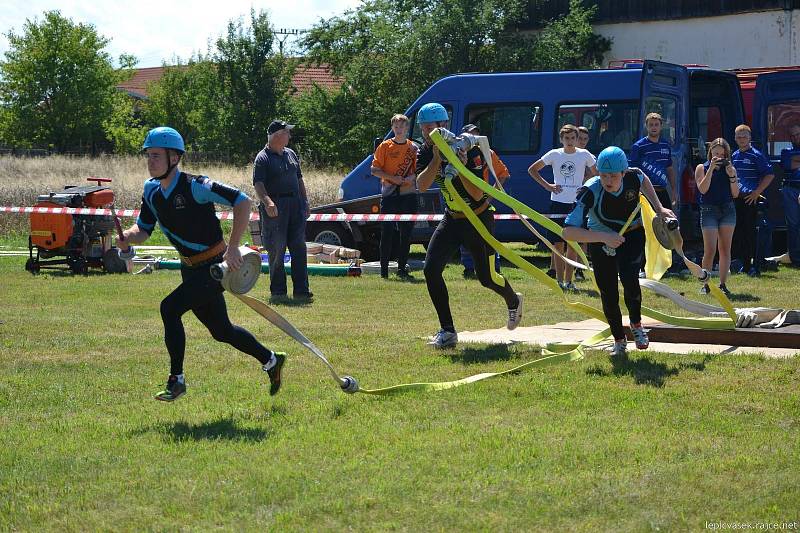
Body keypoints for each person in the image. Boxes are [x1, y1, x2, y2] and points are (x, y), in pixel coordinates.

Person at [117, 127, 286, 401]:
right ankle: (271, 360)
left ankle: (177, 380)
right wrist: (126, 237)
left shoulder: (196, 185)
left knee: (169, 308)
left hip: (213, 268)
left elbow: (242, 202)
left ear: (175, 157)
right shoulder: (150, 191)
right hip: (190, 268)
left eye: (156, 155)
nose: (150, 161)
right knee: (222, 331)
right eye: (148, 155)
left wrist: (232, 248)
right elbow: (144, 228)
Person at [415, 103, 523, 349]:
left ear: (443, 126)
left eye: (431, 128)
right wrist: (436, 160)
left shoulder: (469, 148)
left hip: (477, 217)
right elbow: (421, 185)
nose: (427, 134)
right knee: (431, 270)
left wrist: (460, 165)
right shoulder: (425, 150)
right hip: (452, 217)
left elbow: (476, 194)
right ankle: (448, 330)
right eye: (423, 129)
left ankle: (513, 301)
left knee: (486, 278)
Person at [562, 146, 675, 357]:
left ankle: (637, 325)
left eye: (614, 176)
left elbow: (644, 180)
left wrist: (659, 208)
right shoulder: (589, 190)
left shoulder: (634, 176)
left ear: (624, 172)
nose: (608, 181)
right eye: (604, 175)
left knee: (630, 281)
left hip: (632, 234)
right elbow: (568, 231)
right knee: (608, 292)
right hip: (600, 238)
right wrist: (605, 238)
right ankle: (618, 339)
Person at [528, 124, 597, 291]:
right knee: (557, 245)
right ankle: (559, 281)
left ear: (577, 139)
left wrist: (586, 186)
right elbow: (533, 170)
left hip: (576, 204)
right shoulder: (554, 154)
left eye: (573, 138)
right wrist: (548, 186)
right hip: (557, 203)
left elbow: (597, 173)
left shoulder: (584, 155)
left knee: (572, 244)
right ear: (561, 139)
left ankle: (570, 281)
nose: (570, 141)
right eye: (567, 138)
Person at [253, 120, 312, 301]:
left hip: (295, 205)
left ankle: (301, 290)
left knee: (299, 248)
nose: (290, 136)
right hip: (276, 207)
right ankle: (278, 292)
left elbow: (299, 179)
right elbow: (258, 184)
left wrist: (305, 201)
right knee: (277, 249)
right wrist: (268, 202)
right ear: (277, 136)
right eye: (287, 132)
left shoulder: (291, 154)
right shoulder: (262, 158)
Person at [458, 123, 509, 278]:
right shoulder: (457, 152)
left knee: (488, 237)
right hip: (464, 200)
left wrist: (490, 196)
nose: (474, 137)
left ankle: (494, 268)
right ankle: (469, 268)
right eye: (471, 134)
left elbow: (503, 174)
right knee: (465, 235)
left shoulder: (488, 153)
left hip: (482, 201)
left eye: (476, 134)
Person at [370, 114, 418, 279]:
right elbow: (374, 170)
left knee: (406, 234)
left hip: (408, 195)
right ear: (392, 128)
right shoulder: (384, 146)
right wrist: (392, 178)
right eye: (396, 127)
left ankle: (402, 269)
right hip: (389, 196)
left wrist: (410, 179)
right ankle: (384, 271)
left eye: (402, 127)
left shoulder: (413, 148)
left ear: (406, 128)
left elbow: (419, 171)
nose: (398, 129)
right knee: (387, 232)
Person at [695, 138, 739, 296]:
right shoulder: (702, 167)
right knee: (710, 249)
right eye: (716, 153)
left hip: (727, 209)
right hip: (708, 210)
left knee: (725, 248)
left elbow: (735, 193)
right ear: (710, 152)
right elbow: (703, 189)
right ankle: (705, 285)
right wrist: (711, 169)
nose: (719, 157)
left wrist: (732, 176)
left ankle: (723, 284)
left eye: (722, 154)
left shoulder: (730, 168)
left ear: (727, 155)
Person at [731, 124, 774, 276]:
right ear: (735, 138)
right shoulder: (734, 155)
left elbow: (769, 174)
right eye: (739, 136)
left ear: (750, 138)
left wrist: (757, 192)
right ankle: (742, 263)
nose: (742, 139)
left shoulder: (756, 155)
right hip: (737, 199)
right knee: (738, 231)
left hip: (751, 199)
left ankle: (753, 266)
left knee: (750, 232)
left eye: (744, 136)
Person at [628, 112, 678, 210]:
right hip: (645, 193)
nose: (654, 127)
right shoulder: (638, 146)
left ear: (661, 126)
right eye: (651, 125)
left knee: (668, 221)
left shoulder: (665, 145)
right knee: (647, 223)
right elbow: (632, 171)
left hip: (662, 191)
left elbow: (669, 169)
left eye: (656, 125)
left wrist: (674, 190)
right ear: (646, 126)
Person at [780, 124, 800, 265]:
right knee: (793, 225)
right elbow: (788, 164)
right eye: (792, 135)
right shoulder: (786, 151)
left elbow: (794, 162)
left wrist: (796, 160)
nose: (795, 137)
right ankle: (796, 259)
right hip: (791, 190)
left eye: (798, 134)